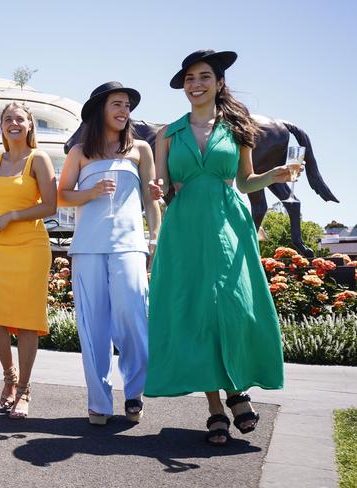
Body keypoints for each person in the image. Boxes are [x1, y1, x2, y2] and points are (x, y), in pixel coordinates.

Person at [146, 50, 291, 445]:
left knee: (232, 306)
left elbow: (245, 183)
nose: (196, 84)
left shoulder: (237, 127)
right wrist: (157, 190)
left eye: (204, 77)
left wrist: (272, 175)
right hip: (185, 228)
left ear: (219, 82)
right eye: (189, 78)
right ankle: (216, 408)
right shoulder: (168, 133)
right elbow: (160, 186)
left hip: (229, 226)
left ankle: (237, 389)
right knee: (196, 311)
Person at [57, 82, 161, 425]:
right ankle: (99, 402)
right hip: (87, 248)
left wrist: (154, 238)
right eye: (117, 104)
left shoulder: (141, 149)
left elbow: (151, 199)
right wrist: (91, 193)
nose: (123, 111)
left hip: (130, 245)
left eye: (127, 106)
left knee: (134, 317)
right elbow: (62, 196)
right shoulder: (79, 152)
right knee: (92, 327)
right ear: (101, 109)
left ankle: (134, 392)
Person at [0, 102, 57, 419]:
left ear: (30, 125)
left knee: (25, 323)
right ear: (1, 126)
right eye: (8, 119)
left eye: (20, 119)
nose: (14, 123)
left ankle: (24, 391)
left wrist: (15, 216)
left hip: (31, 246)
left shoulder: (39, 159)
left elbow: (51, 206)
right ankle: (9, 376)